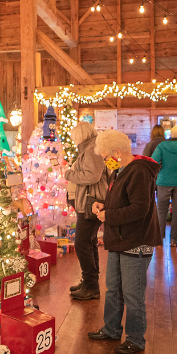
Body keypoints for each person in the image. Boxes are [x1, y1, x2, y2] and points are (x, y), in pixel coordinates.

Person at [87, 129, 162, 354]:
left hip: (135, 241)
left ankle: (136, 339)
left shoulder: (138, 172)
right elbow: (123, 201)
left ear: (117, 152)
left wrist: (108, 215)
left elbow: (139, 209)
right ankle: (111, 328)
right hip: (120, 239)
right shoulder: (120, 170)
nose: (105, 162)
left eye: (105, 157)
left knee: (132, 294)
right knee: (113, 289)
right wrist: (104, 205)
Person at [63, 121, 107, 300]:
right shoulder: (90, 148)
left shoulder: (91, 150)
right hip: (88, 202)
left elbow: (92, 175)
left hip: (91, 203)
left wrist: (69, 174)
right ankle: (90, 282)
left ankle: (91, 285)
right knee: (88, 242)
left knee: (82, 243)